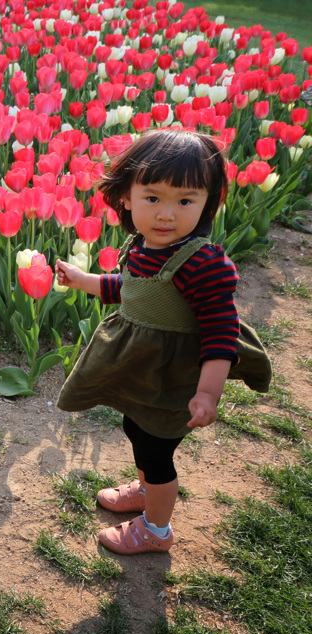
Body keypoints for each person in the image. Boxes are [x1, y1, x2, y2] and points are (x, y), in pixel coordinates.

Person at [55, 129, 272, 555]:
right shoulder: (145, 247)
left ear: (207, 203)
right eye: (153, 198)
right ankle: (146, 489)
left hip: (174, 378)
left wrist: (208, 392)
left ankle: (156, 529)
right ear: (126, 198)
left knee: (157, 451)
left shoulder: (202, 264)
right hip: (145, 371)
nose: (166, 214)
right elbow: (132, 288)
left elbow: (221, 329)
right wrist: (83, 280)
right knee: (137, 428)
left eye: (185, 201)